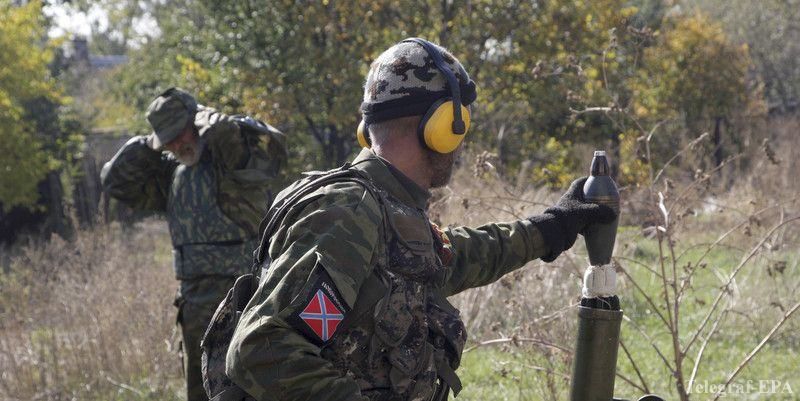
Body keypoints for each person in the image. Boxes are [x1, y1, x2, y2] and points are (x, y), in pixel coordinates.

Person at [224, 38, 615, 401]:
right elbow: (260, 349)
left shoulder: (384, 209)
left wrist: (551, 228)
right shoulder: (348, 211)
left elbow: (448, 257)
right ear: (443, 126)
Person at [101, 87, 287, 401]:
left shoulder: (232, 155)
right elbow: (115, 182)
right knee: (204, 390)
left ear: (197, 122)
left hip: (250, 294)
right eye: (168, 140)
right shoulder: (173, 172)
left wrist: (213, 123)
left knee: (259, 386)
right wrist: (148, 145)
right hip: (198, 304)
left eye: (180, 133)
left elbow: (254, 151)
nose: (177, 144)